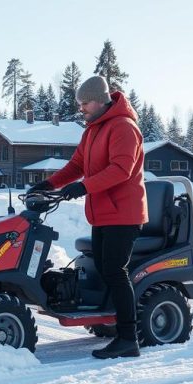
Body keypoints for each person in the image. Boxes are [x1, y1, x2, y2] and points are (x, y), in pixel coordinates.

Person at [29, 75, 147, 359]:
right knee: (102, 270)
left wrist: (83, 187)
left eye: (84, 103)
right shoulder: (93, 130)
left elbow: (122, 169)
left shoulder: (123, 127)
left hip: (124, 213)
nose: (81, 108)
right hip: (104, 213)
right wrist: (50, 184)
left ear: (99, 99)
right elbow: (77, 165)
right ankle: (109, 321)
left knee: (115, 272)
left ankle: (128, 339)